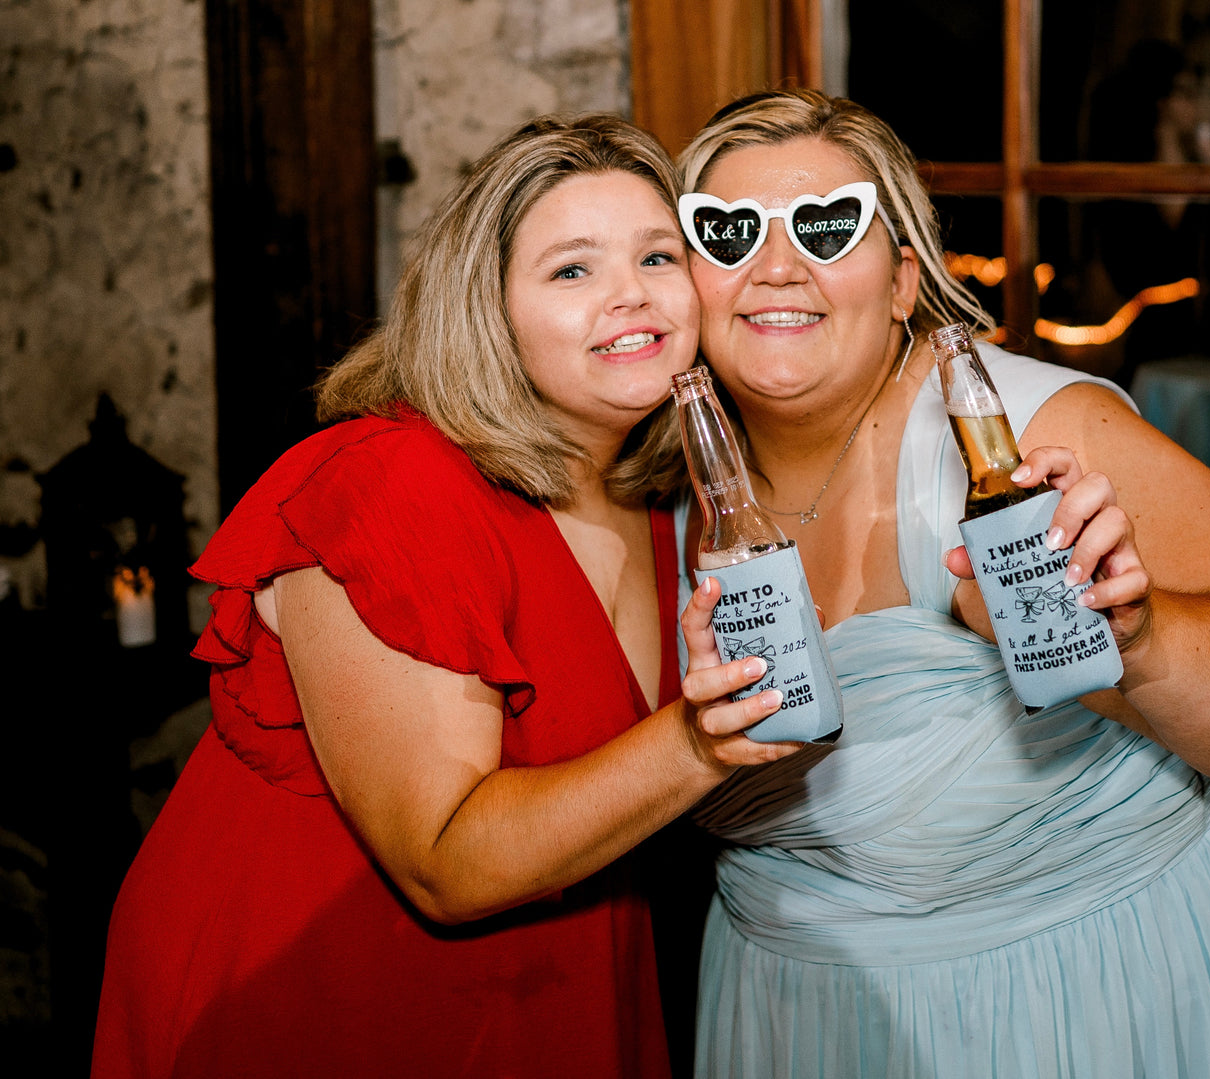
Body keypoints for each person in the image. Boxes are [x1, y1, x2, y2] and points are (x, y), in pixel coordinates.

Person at [673, 88, 1210, 1078]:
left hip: (1109, 999)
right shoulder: (656, 488)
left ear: (904, 282)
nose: (779, 266)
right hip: (802, 1018)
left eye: (828, 229)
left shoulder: (1027, 437)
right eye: (731, 232)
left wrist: (1133, 633)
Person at [90, 114, 800, 1079]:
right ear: (487, 311)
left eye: (657, 256)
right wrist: (694, 743)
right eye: (572, 269)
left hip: (547, 976)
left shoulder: (661, 500)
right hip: (319, 1001)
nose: (630, 293)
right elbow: (442, 858)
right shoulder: (391, 485)